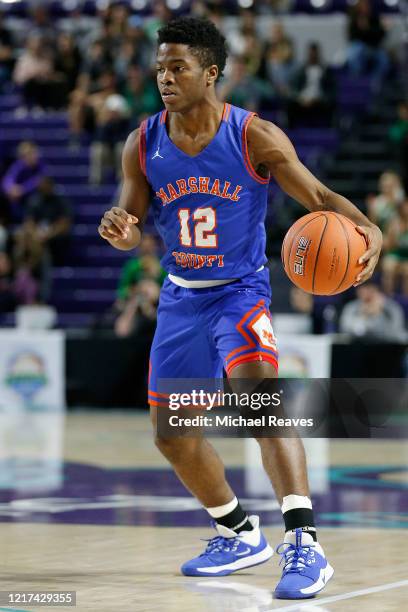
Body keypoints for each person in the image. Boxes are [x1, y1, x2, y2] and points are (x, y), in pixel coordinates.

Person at [98, 17, 382, 599]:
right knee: (172, 433)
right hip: (180, 297)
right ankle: (237, 532)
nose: (165, 77)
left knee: (258, 405)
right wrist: (121, 232)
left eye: (178, 66)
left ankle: (304, 543)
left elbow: (321, 198)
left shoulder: (254, 137)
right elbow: (130, 224)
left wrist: (367, 228)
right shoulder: (142, 142)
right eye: (159, 67)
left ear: (211, 72)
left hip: (238, 292)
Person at [339, 283, 406, 342]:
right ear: (358, 292)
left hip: (387, 348)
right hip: (358, 349)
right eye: (363, 291)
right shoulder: (351, 308)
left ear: (378, 291)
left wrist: (377, 314)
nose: (367, 294)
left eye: (371, 291)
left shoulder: (392, 308)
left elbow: (397, 334)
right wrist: (363, 316)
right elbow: (346, 333)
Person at [382, 198, 408, 296]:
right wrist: (393, 237)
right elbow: (388, 247)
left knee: (407, 271)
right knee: (388, 266)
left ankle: (406, 299)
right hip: (396, 253)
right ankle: (388, 296)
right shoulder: (393, 223)